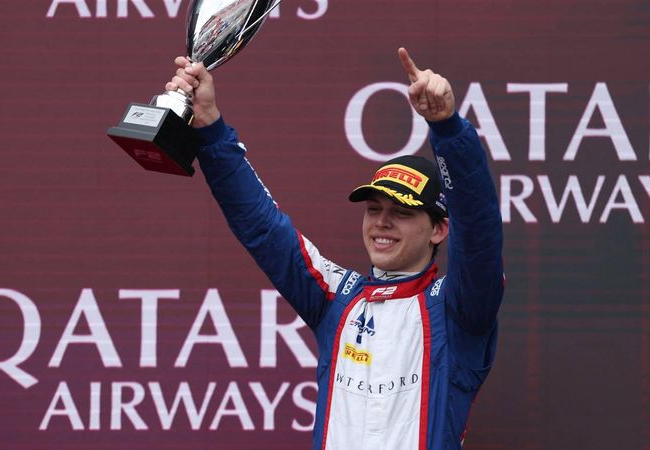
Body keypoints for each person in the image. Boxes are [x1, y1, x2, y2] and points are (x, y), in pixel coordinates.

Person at [166, 48, 504, 450]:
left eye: (402, 213)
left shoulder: (458, 310)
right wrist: (210, 127)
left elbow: (480, 232)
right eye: (374, 209)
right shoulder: (337, 296)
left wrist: (449, 131)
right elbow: (261, 227)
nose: (381, 222)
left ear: (439, 229)